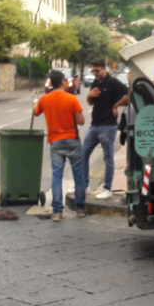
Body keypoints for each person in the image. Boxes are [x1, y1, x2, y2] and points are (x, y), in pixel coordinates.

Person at [34, 70, 87, 222]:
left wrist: (35, 103)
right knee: (78, 174)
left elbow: (36, 112)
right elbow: (81, 121)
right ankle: (80, 208)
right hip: (72, 140)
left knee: (57, 175)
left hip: (55, 141)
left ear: (51, 83)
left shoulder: (45, 99)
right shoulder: (72, 99)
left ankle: (57, 211)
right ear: (63, 82)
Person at [83, 59, 128, 199]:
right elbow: (91, 102)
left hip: (108, 126)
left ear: (104, 69)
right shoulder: (96, 83)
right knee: (83, 155)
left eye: (97, 70)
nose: (95, 73)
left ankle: (107, 188)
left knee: (107, 157)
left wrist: (116, 106)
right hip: (94, 125)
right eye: (93, 71)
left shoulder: (113, 82)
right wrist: (89, 96)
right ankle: (84, 186)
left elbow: (128, 94)